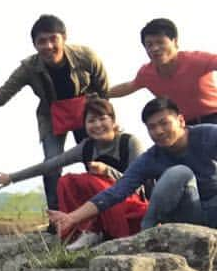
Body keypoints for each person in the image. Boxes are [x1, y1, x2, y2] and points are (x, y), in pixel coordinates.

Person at [0, 14, 109, 211]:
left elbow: (104, 91)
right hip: (52, 116)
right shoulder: (29, 68)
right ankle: (56, 217)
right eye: (41, 41)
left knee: (96, 161)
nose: (48, 46)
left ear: (64, 38)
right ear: (34, 45)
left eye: (53, 39)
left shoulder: (86, 57)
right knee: (52, 164)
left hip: (86, 112)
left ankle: (106, 208)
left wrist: (104, 121)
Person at [0, 96, 146, 250]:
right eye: (91, 121)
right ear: (84, 126)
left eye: (102, 119)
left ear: (113, 121)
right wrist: (12, 178)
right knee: (67, 181)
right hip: (101, 205)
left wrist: (107, 171)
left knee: (91, 181)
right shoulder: (87, 147)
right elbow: (50, 165)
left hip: (131, 204)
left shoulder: (129, 142)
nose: (97, 125)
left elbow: (139, 184)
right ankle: (80, 233)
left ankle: (101, 232)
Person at [50, 97, 217, 237]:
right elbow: (116, 192)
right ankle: (148, 235)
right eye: (152, 127)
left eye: (164, 123)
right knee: (179, 173)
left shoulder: (208, 135)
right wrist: (72, 217)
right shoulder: (151, 158)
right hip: (187, 216)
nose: (159, 131)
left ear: (180, 121)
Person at [108, 19, 217, 125]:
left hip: (213, 116)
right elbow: (129, 86)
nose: (155, 48)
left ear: (175, 41)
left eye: (160, 42)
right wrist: (99, 94)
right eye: (149, 45)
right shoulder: (146, 73)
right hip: (183, 126)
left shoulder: (197, 60)